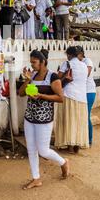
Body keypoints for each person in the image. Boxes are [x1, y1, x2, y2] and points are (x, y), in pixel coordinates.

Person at [19, 49, 69, 189]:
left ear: (42, 62)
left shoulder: (52, 77)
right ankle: (36, 178)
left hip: (45, 119)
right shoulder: (32, 75)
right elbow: (21, 93)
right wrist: (28, 79)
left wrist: (41, 96)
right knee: (31, 149)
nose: (32, 65)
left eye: (34, 62)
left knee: (43, 151)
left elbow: (60, 98)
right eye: (31, 62)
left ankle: (63, 162)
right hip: (30, 117)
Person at [54, 46, 89, 153]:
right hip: (82, 97)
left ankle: (69, 146)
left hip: (68, 95)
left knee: (68, 120)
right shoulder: (84, 65)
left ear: (69, 55)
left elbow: (58, 79)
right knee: (79, 121)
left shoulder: (67, 64)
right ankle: (77, 147)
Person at [76, 46, 96, 146]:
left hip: (89, 91)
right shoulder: (77, 63)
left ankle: (89, 139)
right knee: (81, 116)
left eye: (76, 54)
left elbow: (86, 75)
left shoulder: (87, 61)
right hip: (81, 92)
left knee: (86, 116)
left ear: (81, 53)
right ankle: (83, 138)